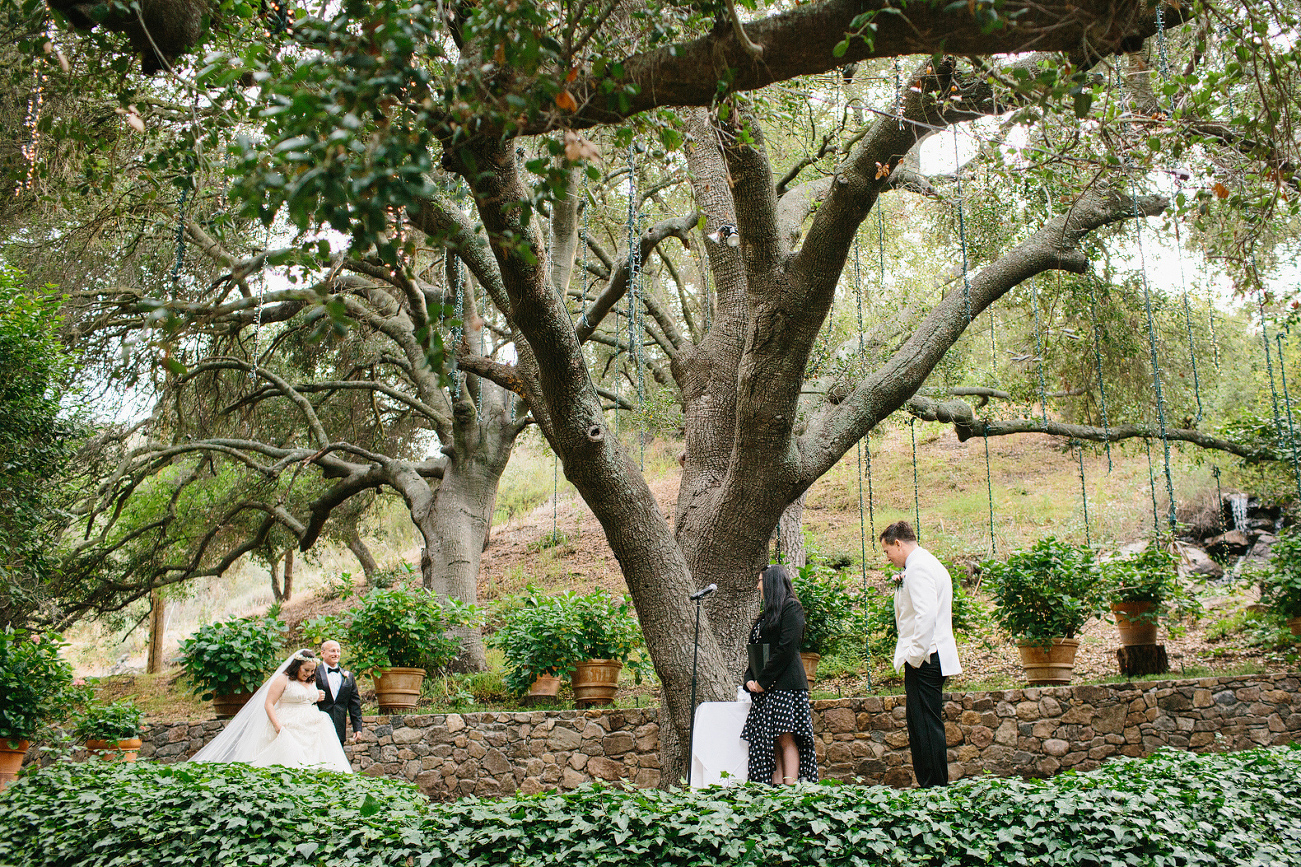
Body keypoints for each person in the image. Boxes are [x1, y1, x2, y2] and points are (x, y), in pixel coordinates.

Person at [881, 520, 962, 788]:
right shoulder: (926, 564)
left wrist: (913, 657)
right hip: (931, 656)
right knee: (923, 724)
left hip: (926, 658)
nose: (887, 557)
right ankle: (932, 785)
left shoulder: (919, 569)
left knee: (924, 726)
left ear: (898, 543)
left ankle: (933, 788)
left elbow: (926, 616)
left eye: (887, 551)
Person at [190, 649, 352, 773]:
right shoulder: (282, 680)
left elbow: (306, 697)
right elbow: (268, 704)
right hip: (288, 722)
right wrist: (277, 725)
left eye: (312, 671)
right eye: (306, 670)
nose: (309, 674)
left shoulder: (311, 680)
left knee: (318, 757)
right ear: (297, 667)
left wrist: (315, 696)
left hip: (313, 723)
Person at [740, 564, 819, 785]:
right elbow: (755, 651)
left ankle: (790, 788)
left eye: (760, 581)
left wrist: (763, 681)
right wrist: (749, 681)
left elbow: (786, 649)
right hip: (765, 688)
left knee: (786, 737)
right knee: (772, 740)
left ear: (772, 583)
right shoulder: (766, 616)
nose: (758, 587)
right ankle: (776, 787)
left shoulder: (791, 608)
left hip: (786, 685)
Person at [315, 640, 363, 745]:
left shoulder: (348, 676)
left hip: (339, 729)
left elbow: (354, 704)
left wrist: (357, 728)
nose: (336, 654)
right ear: (322, 653)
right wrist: (314, 696)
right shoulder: (313, 673)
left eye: (338, 651)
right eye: (332, 651)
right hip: (317, 728)